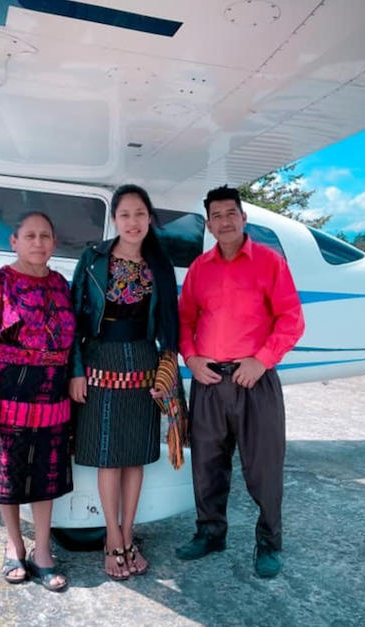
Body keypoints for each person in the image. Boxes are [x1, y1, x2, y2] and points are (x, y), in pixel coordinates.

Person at [175, 185, 305, 579]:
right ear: (209, 225)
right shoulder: (200, 268)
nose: (225, 221)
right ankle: (210, 533)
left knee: (264, 468)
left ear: (244, 218)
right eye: (216, 216)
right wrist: (192, 358)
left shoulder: (270, 262)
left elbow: (291, 319)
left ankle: (269, 543)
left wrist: (261, 361)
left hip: (255, 381)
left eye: (231, 213)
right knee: (207, 466)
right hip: (209, 381)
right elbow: (185, 320)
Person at [69, 184, 182, 581]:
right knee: (108, 455)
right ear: (114, 219)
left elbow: (169, 325)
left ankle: (128, 533)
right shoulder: (93, 258)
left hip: (145, 364)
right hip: (101, 361)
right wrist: (76, 370)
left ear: (149, 218)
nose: (133, 222)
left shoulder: (159, 265)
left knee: (135, 454)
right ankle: (112, 538)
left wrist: (168, 372)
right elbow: (74, 319)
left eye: (140, 214)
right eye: (125, 215)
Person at [0, 211, 75, 592]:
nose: (38, 242)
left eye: (45, 235)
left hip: (53, 393)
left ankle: (42, 549)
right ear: (14, 242)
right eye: (30, 235)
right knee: (8, 473)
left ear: (54, 243)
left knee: (46, 474)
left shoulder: (61, 285)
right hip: (8, 391)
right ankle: (14, 544)